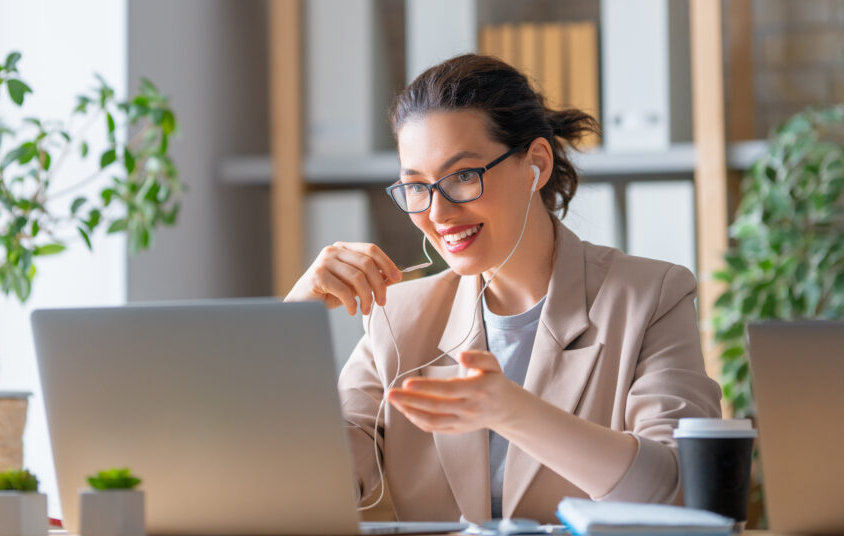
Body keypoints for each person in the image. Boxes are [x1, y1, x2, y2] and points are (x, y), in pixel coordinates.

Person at [284, 54, 722, 524]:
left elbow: (680, 491)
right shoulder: (399, 316)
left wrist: (512, 411)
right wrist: (288, 323)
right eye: (416, 187)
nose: (438, 213)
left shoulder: (650, 295)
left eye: (463, 177)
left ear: (536, 163)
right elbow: (309, 483)